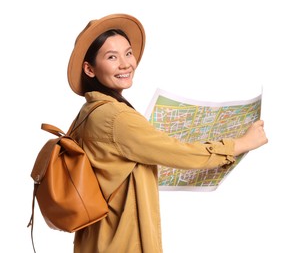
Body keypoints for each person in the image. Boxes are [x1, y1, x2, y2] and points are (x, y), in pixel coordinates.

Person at [67, 14, 268, 253]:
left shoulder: (89, 112)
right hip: (123, 244)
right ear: (89, 69)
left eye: (128, 53)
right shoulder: (116, 117)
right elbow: (176, 152)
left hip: (98, 241)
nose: (125, 64)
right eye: (112, 57)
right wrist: (240, 144)